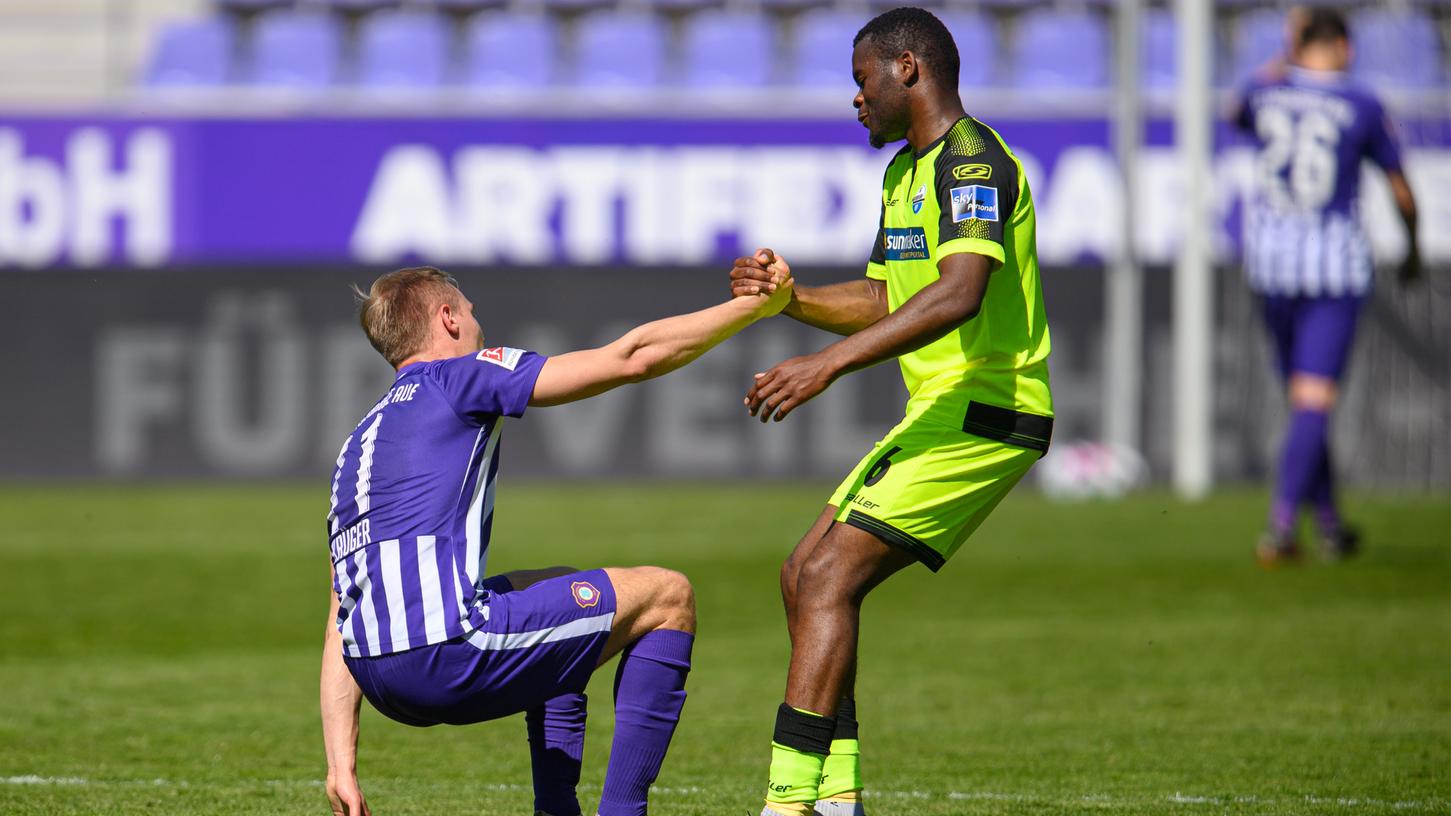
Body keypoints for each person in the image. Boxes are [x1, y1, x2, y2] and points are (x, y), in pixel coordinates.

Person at [729, 8, 1053, 816]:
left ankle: (787, 801)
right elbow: (884, 296)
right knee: (801, 574)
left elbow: (959, 291)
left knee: (829, 575)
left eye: (860, 79)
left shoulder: (971, 160)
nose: (856, 99)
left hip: (988, 405)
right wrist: (792, 301)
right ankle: (835, 797)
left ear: (907, 67)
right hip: (943, 408)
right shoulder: (903, 173)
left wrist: (827, 365)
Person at [320, 265, 791, 816]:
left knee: (561, 591)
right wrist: (757, 308)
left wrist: (340, 765)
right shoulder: (461, 377)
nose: (477, 323)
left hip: (379, 678)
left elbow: (341, 609)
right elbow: (632, 357)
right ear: (446, 318)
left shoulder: (357, 446)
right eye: (470, 311)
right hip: (444, 653)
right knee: (668, 597)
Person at [1231, 7, 1421, 565]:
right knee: (1313, 401)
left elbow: (1232, 108)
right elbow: (1402, 191)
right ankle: (1282, 528)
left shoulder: (1266, 95)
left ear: (1297, 43)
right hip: (1331, 273)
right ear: (1345, 46)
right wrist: (1413, 245)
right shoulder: (1361, 104)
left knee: (1303, 402)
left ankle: (1332, 524)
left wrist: (1285, 53)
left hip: (1270, 268)